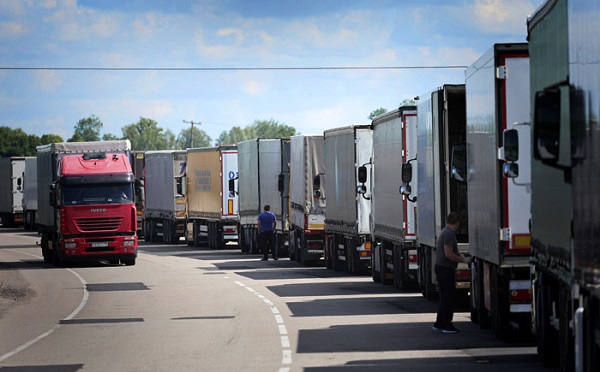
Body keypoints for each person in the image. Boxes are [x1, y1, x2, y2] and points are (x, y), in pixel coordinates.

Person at [433, 212, 471, 334]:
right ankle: (447, 325)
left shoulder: (445, 232)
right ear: (457, 223)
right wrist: (462, 260)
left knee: (444, 297)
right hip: (445, 269)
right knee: (448, 298)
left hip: (441, 268)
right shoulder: (449, 234)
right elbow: (448, 254)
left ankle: (439, 323)